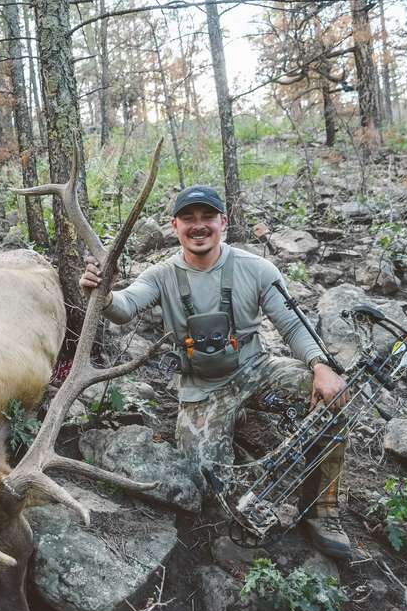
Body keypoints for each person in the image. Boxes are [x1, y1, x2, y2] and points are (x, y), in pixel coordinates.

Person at [81, 185, 352, 560]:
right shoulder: (161, 276)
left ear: (223, 221)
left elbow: (293, 325)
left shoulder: (256, 269)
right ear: (174, 226)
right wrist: (105, 295)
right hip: (201, 388)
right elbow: (125, 306)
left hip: (257, 370)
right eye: (188, 219)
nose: (198, 226)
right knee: (206, 487)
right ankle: (230, 440)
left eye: (207, 217)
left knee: (331, 399)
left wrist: (321, 366)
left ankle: (322, 508)